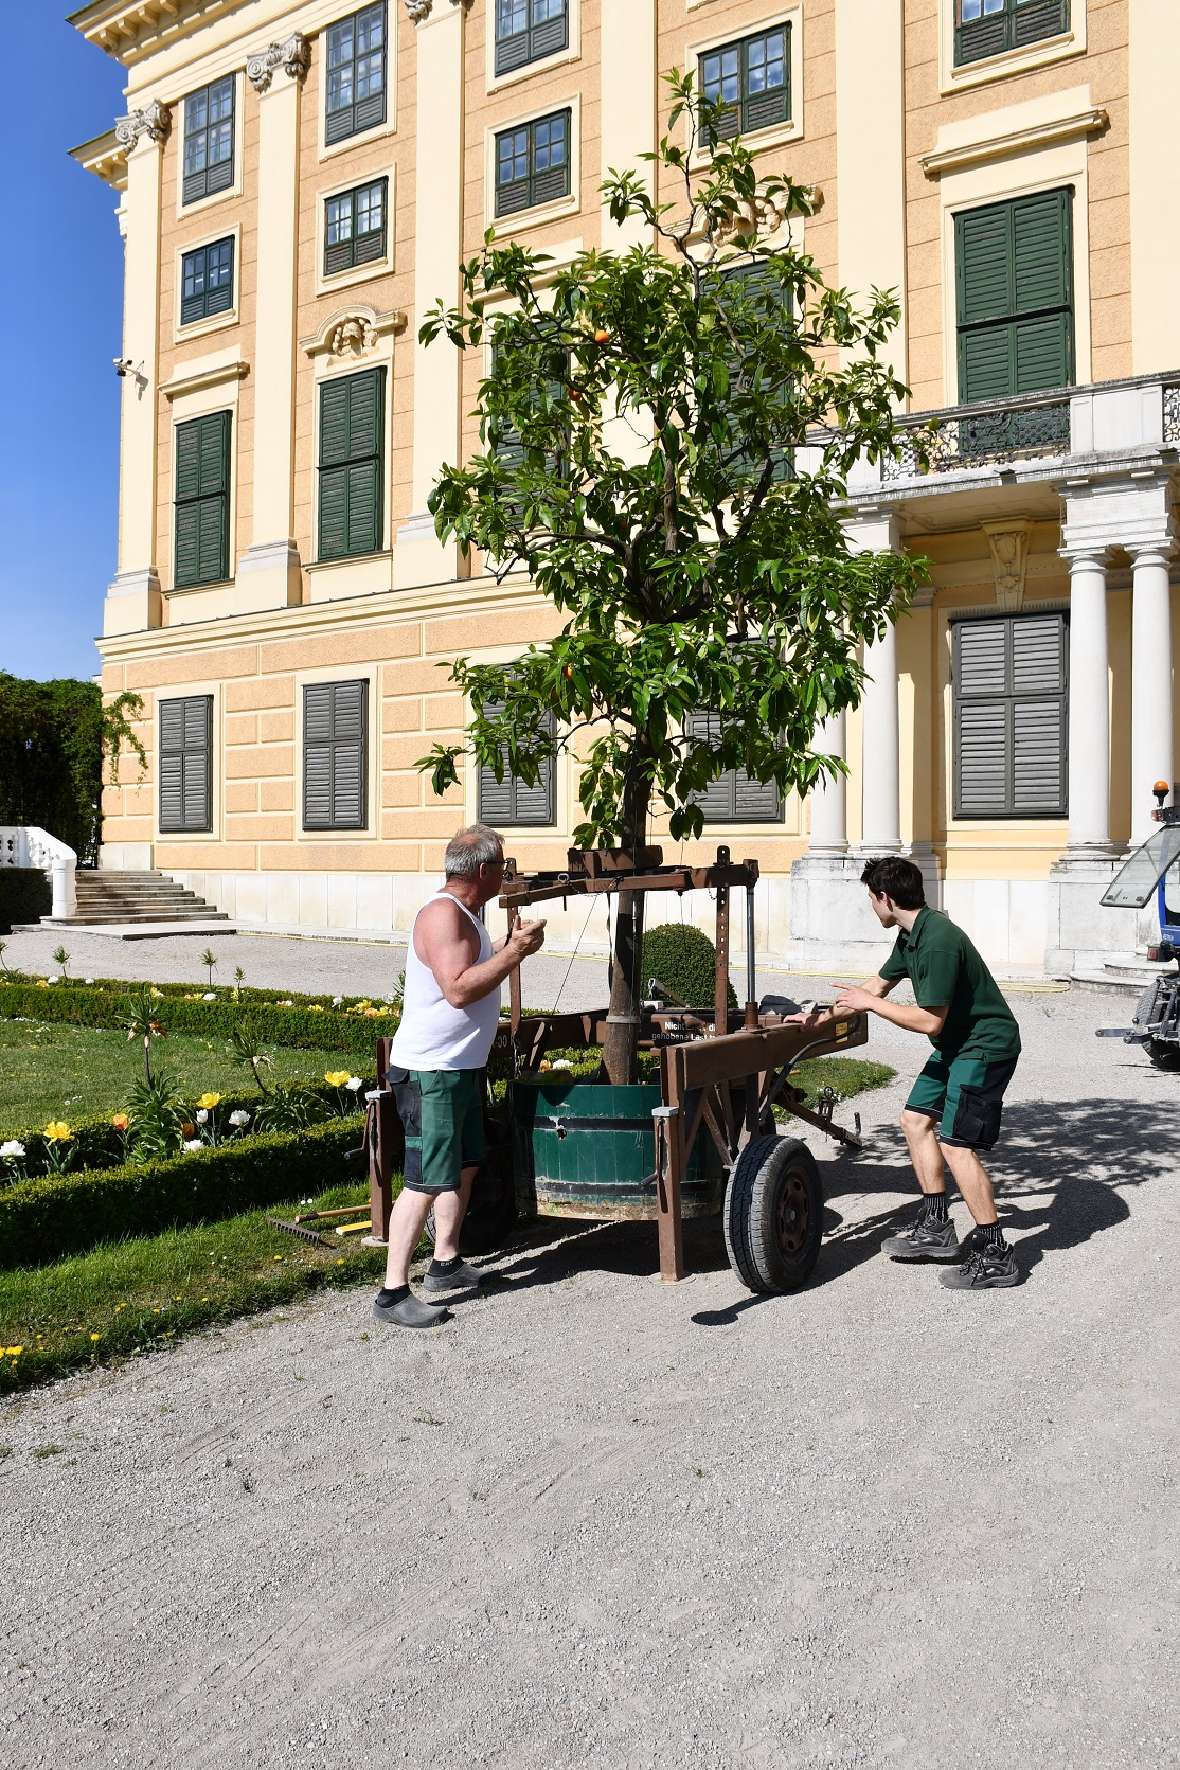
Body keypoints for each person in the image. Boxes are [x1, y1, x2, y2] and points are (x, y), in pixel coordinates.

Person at [372, 823, 546, 1329]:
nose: (507, 875)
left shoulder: (466, 911)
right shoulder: (443, 916)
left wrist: (509, 927)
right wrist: (514, 953)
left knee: (465, 1164)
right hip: (433, 1071)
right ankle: (392, 1292)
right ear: (485, 870)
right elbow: (458, 989)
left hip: (460, 1066)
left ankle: (445, 1263)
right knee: (425, 1179)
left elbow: (478, 943)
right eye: (503, 867)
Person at [826, 856, 1023, 1290]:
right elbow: (875, 987)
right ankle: (937, 1226)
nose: (871, 908)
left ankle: (995, 1254)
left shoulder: (937, 940)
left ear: (886, 897)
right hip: (957, 1045)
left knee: (956, 1145)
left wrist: (872, 1005)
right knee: (915, 1121)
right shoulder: (909, 935)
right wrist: (815, 1017)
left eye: (871, 900)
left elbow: (929, 1020)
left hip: (984, 1046)